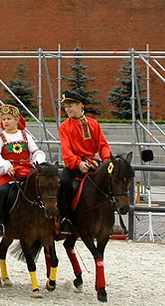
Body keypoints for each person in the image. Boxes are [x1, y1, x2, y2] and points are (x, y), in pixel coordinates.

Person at [0, 104, 46, 237]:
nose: (6, 122)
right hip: (8, 173)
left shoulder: (26, 136)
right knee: (2, 191)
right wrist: (6, 166)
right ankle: (0, 223)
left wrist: (39, 163)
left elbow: (36, 150)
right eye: (3, 119)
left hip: (26, 170)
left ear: (17, 120)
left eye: (9, 118)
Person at [58, 90, 112, 234]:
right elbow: (66, 151)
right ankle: (66, 219)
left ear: (80, 105)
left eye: (70, 106)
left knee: (110, 183)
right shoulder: (64, 126)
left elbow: (103, 145)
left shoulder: (94, 124)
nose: (67, 110)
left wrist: (107, 162)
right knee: (63, 183)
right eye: (66, 107)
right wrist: (77, 163)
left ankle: (109, 219)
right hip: (74, 164)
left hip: (92, 162)